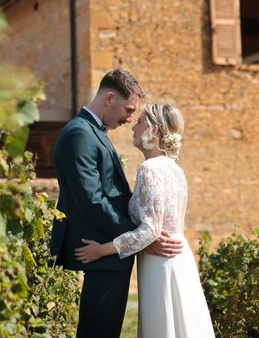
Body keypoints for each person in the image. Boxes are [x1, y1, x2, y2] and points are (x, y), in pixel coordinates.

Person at [50, 69, 182, 338]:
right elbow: (92, 200)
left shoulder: (92, 132)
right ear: (110, 98)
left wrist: (141, 235)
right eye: (129, 109)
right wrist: (140, 236)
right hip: (101, 252)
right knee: (98, 332)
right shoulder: (80, 134)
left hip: (109, 252)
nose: (130, 118)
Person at [74, 102, 215, 337]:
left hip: (161, 263)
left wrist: (102, 250)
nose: (133, 128)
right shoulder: (175, 169)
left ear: (154, 130)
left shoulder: (150, 169)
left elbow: (149, 230)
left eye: (139, 122)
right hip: (179, 259)